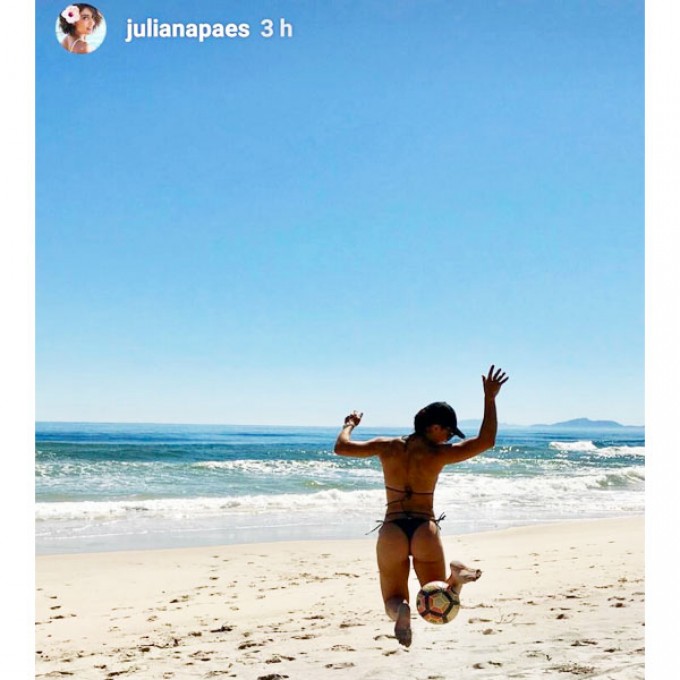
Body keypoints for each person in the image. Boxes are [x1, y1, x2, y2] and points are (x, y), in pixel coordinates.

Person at [334, 365, 509, 647]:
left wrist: (349, 424)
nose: (450, 437)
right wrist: (490, 398)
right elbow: (486, 441)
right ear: (434, 427)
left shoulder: (386, 446)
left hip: (393, 529)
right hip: (424, 529)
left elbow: (342, 447)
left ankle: (402, 612)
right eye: (449, 431)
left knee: (392, 600)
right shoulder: (439, 453)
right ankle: (456, 576)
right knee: (440, 594)